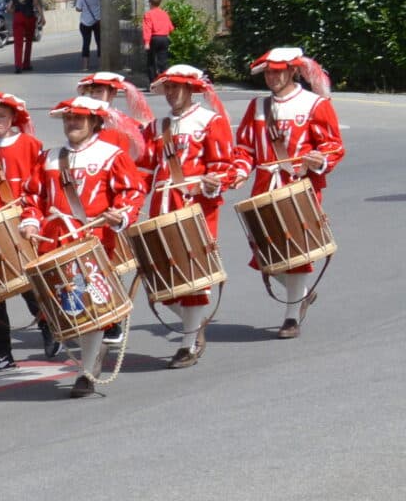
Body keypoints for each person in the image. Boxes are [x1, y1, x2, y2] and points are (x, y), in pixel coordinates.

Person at [41, 94, 148, 397]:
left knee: (92, 307)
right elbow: (32, 198)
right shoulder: (50, 157)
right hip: (56, 246)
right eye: (68, 118)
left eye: (78, 118)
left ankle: (86, 370)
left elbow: (132, 191)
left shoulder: (111, 155)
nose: (72, 123)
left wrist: (121, 214)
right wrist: (31, 222)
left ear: (94, 122)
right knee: (68, 309)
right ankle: (89, 355)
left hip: (94, 244)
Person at [236, 46, 345, 340]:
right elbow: (244, 150)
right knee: (265, 256)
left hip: (299, 187)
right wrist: (238, 171)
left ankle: (291, 316)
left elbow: (333, 145)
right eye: (269, 72)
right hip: (264, 187)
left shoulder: (314, 104)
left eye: (279, 71)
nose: (272, 77)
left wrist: (319, 159)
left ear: (293, 72)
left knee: (297, 253)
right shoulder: (257, 108)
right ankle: (304, 295)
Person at [145, 65, 250, 368]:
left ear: (191, 90)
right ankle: (196, 323)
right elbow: (141, 169)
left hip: (195, 208)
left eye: (178, 87)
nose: (172, 93)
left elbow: (224, 166)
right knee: (162, 284)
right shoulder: (157, 126)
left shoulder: (210, 121)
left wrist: (212, 180)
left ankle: (188, 343)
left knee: (191, 278)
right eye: (168, 87)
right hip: (161, 208)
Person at [0, 92, 53, 371]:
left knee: (27, 282)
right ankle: (2, 351)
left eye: (2, 116)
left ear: (12, 118)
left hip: (20, 222)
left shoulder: (31, 145)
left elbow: (41, 183)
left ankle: (47, 323)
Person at [10, 0, 42, 72]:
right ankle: (26, 64)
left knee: (18, 43)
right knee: (28, 42)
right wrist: (42, 17)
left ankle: (18, 66)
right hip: (29, 17)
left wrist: (15, 14)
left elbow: (9, 7)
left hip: (17, 17)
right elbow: (36, 4)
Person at [140, 0, 174, 81]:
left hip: (154, 38)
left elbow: (147, 28)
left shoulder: (149, 14)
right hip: (164, 38)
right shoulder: (164, 13)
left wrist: (147, 42)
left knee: (151, 61)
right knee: (163, 61)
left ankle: (153, 82)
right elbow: (171, 28)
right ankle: (164, 81)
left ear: (150, 3)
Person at [75, 0, 103, 67]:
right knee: (99, 42)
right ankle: (101, 64)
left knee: (86, 43)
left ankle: (85, 65)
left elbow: (78, 8)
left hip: (85, 22)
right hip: (98, 21)